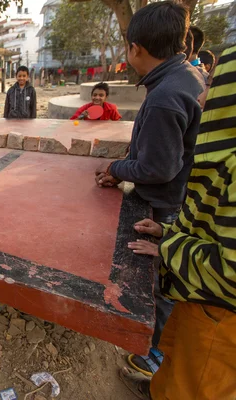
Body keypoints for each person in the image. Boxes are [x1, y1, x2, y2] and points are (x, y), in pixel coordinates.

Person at [94, 1, 205, 377]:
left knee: (159, 284)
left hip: (166, 205)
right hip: (180, 200)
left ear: (136, 48)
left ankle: (157, 357)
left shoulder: (163, 98)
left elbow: (158, 167)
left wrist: (116, 167)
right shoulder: (186, 77)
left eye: (127, 48)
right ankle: (166, 351)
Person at [120, 45, 236, 400]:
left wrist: (168, 246)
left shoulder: (166, 95)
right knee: (179, 360)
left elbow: (230, 267)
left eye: (214, 84)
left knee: (198, 382)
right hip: (202, 302)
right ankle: (159, 384)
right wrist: (171, 233)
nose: (203, 94)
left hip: (221, 319)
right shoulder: (179, 82)